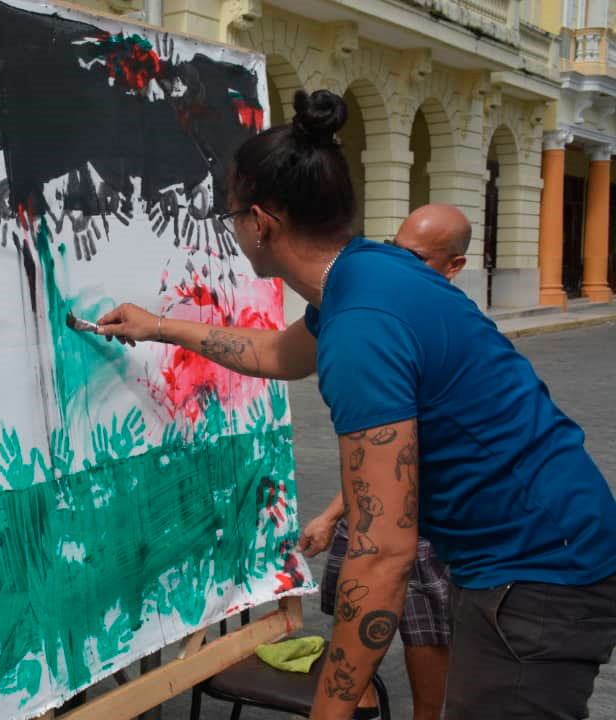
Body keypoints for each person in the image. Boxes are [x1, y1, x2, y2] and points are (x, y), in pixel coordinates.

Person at [95, 89, 616, 720]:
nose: (232, 230)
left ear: (261, 222)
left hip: (538, 578)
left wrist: (331, 710)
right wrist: (163, 328)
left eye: (231, 217)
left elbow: (383, 553)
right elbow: (279, 355)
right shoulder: (366, 272)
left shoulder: (361, 326)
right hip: (541, 552)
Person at [298, 202, 469, 720]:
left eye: (414, 256)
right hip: (375, 500)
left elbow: (406, 459)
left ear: (453, 266)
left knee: (423, 628)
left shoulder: (449, 326)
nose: (399, 264)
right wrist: (333, 515)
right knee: (350, 612)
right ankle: (364, 706)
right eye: (395, 249)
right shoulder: (377, 310)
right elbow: (378, 458)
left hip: (423, 515)